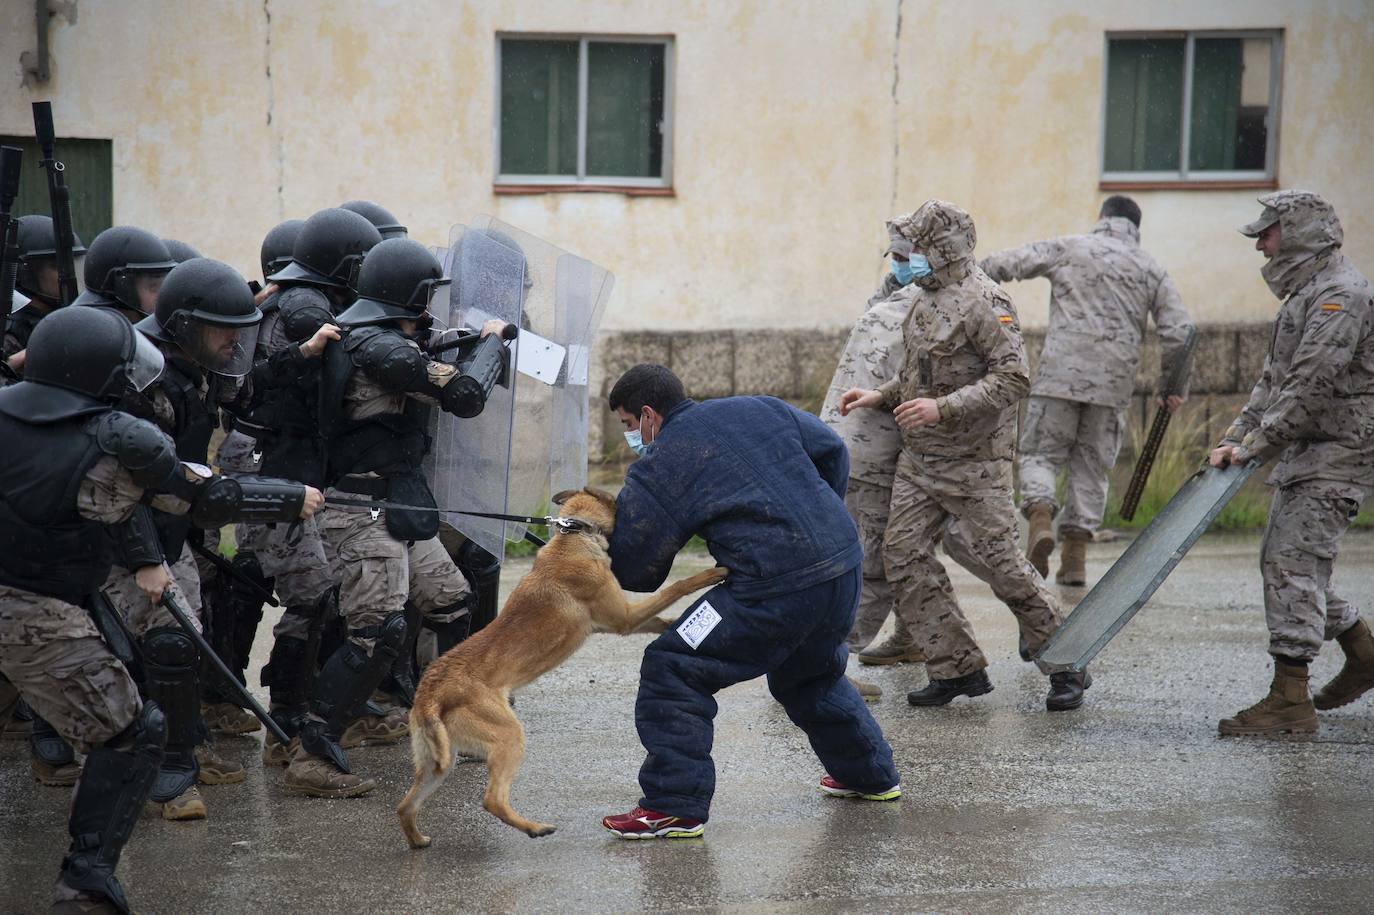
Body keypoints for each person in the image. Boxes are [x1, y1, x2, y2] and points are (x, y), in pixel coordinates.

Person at [0, 305, 318, 913]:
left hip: (34, 602)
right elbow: (205, 497)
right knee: (129, 732)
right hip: (33, 613)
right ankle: (85, 884)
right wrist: (289, 497)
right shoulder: (112, 443)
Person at [600, 363, 901, 840]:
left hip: (771, 589)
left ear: (649, 416)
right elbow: (832, 450)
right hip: (843, 564)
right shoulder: (758, 406)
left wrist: (597, 539)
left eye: (627, 425)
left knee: (672, 667)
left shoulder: (660, 465)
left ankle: (673, 805)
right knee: (810, 671)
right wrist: (817, 517)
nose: (630, 438)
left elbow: (638, 571)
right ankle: (870, 776)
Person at [840, 199, 1088, 711]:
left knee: (1004, 566)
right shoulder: (923, 299)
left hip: (975, 465)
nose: (905, 256)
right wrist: (880, 395)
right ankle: (956, 667)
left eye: (915, 247)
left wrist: (942, 409)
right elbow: (918, 371)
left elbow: (1013, 377)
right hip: (921, 462)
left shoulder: (986, 300)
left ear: (942, 248)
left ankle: (1067, 661)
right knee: (903, 556)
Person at [288, 237, 489, 797]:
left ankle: (448, 724)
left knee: (450, 601)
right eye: (426, 298)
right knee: (376, 632)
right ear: (409, 296)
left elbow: (428, 353)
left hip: (394, 504)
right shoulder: (375, 346)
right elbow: (467, 395)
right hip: (356, 510)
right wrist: (492, 342)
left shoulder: (382, 339)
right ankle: (311, 752)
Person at [220, 209, 382, 766]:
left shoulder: (308, 308)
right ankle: (285, 718)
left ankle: (296, 709)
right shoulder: (283, 314)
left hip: (295, 465)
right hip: (267, 464)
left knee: (316, 591)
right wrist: (307, 352)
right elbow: (244, 388)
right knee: (310, 594)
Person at [1209, 190, 1374, 737]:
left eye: (1269, 231)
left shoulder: (1339, 297)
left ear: (1301, 233)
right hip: (1312, 449)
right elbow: (1272, 382)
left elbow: (1310, 385)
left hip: (1339, 451)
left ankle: (1290, 700)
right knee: (1288, 563)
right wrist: (1234, 437)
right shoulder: (1306, 294)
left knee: (1292, 566)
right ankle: (1363, 650)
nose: (1260, 242)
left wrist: (1255, 446)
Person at [981, 196, 1194, 586]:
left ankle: (1041, 518)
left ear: (1102, 218)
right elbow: (1180, 332)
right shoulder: (1151, 269)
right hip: (1113, 387)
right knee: (1092, 466)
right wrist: (1173, 385)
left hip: (1060, 374)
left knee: (1041, 454)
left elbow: (1001, 265)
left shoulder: (1069, 247)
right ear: (1135, 227)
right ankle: (1074, 561)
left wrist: (970, 288)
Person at [821, 218, 989, 667]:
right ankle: (863, 652)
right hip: (874, 446)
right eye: (894, 259)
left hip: (885, 448)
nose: (898, 267)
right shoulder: (899, 303)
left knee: (889, 555)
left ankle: (833, 659)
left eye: (905, 259)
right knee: (894, 551)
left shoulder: (941, 310)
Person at [1, 214, 86, 358]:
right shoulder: (8, 335)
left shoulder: (76, 316)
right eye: (57, 266)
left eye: (73, 265)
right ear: (25, 272)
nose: (69, 274)